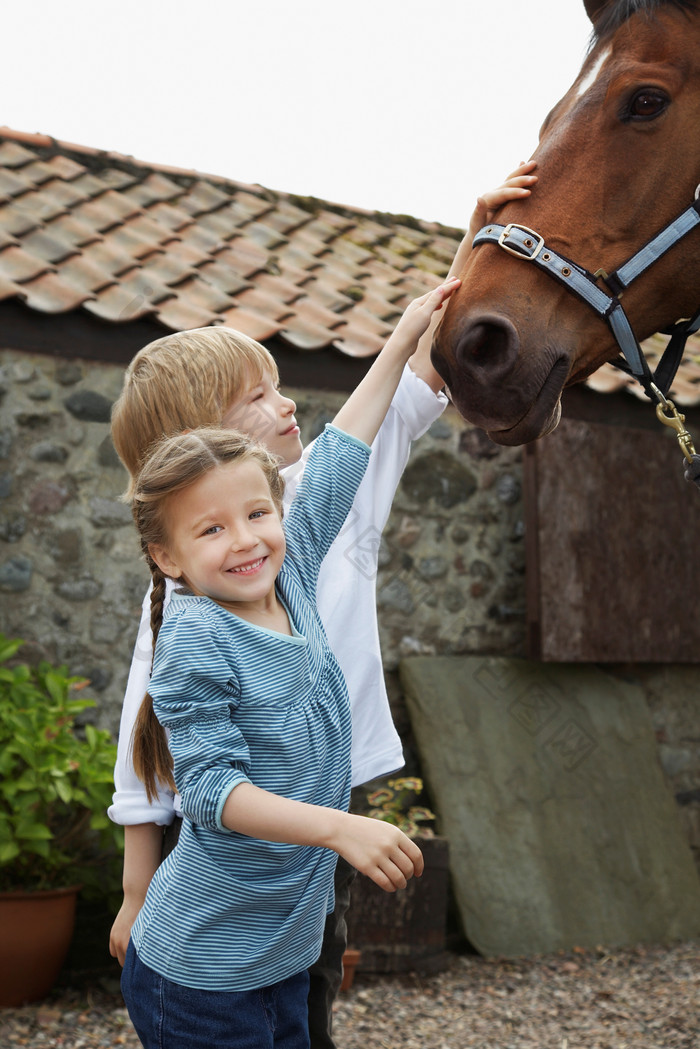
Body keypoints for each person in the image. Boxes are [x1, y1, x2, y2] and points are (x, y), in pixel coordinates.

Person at [108, 163, 538, 1048]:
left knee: (308, 997)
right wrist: (137, 889)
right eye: (255, 395)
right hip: (233, 910)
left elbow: (378, 410)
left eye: (258, 513)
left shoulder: (287, 538)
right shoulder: (191, 616)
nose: (248, 538)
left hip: (308, 861)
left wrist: (461, 263)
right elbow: (163, 763)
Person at [120, 276, 461, 1048]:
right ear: (165, 554)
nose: (243, 540)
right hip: (201, 977)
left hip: (280, 954)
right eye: (210, 530)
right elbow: (211, 792)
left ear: (279, 507)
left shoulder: (293, 565)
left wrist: (404, 337)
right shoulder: (195, 638)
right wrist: (340, 827)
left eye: (255, 513)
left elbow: (344, 444)